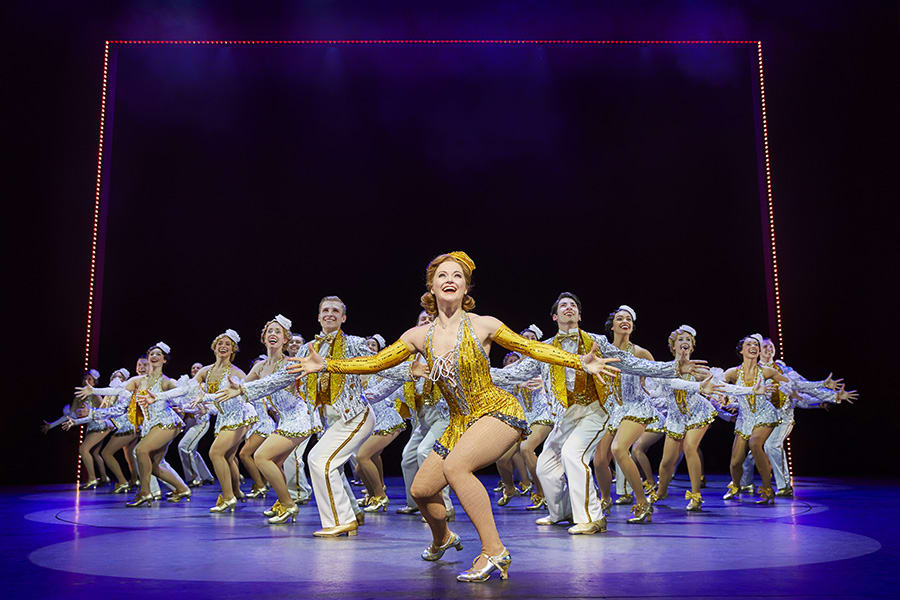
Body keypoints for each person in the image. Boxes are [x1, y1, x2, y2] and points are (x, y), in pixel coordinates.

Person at [285, 253, 622, 582]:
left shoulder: (484, 325)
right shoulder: (420, 336)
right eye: (442, 276)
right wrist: (326, 364)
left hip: (496, 410)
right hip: (459, 422)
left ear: (466, 289)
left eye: (457, 276)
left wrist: (580, 362)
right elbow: (376, 363)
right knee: (421, 489)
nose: (450, 280)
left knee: (457, 468)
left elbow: (532, 348)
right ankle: (443, 536)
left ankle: (493, 550)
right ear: (431, 287)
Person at [217, 297, 376, 537]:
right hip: (326, 417)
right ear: (318, 316)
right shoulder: (306, 349)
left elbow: (377, 363)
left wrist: (409, 371)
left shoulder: (354, 343)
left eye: (335, 311)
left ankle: (339, 520)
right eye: (325, 310)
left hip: (353, 413)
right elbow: (282, 378)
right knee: (323, 462)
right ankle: (350, 514)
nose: (330, 314)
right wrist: (243, 389)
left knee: (320, 462)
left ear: (343, 318)